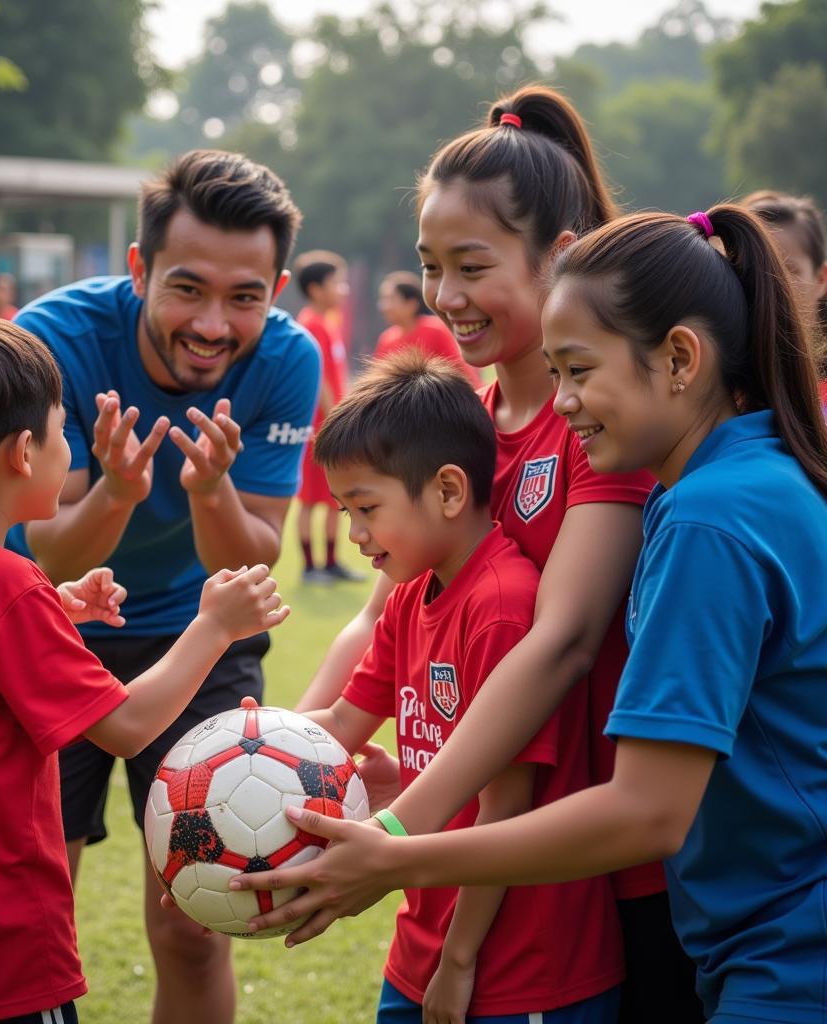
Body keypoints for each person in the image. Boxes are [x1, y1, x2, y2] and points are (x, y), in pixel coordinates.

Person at [234, 204, 827, 1024]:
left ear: (680, 358)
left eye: (579, 371)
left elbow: (647, 811)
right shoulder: (744, 478)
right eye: (556, 374)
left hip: (789, 952)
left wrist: (401, 853)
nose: (567, 402)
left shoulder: (711, 518)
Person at [294, 87, 704, 1022]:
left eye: (471, 266)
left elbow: (561, 643)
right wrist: (284, 746)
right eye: (431, 266)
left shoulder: (602, 427)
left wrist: (401, 829)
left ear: (560, 255)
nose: (446, 297)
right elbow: (381, 613)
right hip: (494, 854)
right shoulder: (468, 424)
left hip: (614, 866)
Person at [0, 310, 288, 1024]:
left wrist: (52, 606)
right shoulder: (3, 586)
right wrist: (214, 627)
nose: (68, 450)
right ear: (25, 452)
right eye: (64, 432)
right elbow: (129, 726)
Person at [7, 149, 320, 1024]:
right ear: (139, 267)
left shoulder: (287, 362)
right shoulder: (51, 342)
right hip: (48, 627)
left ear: (277, 287)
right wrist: (116, 489)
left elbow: (254, 556)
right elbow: (52, 562)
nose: (215, 324)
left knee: (196, 921)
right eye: (188, 289)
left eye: (245, 297)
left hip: (200, 635)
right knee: (30, 913)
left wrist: (209, 487)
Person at [300, 351, 623, 1023]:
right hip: (421, 938)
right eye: (345, 512)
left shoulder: (502, 607)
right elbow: (342, 719)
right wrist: (235, 764)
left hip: (515, 965)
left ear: (448, 491)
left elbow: (506, 804)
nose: (356, 535)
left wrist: (459, 960)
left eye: (366, 509)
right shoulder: (408, 596)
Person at [294, 249, 364, 583]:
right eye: (337, 283)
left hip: (332, 426)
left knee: (334, 497)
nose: (344, 290)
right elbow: (319, 378)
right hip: (318, 430)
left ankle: (332, 562)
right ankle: (310, 567)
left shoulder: (328, 323)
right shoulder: (310, 324)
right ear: (316, 288)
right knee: (310, 500)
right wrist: (335, 420)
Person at [740, 190, 827, 409]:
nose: (772, 285)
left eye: (789, 270)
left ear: (821, 279)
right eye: (755, 271)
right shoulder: (722, 386)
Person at [374, 269, 480, 385]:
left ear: (412, 304)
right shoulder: (386, 340)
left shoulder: (435, 330)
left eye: (391, 299)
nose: (383, 306)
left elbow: (461, 372)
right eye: (383, 299)